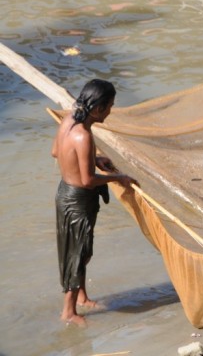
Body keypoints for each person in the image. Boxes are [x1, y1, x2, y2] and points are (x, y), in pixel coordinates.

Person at [51, 79, 138, 326]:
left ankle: (82, 297)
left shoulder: (69, 121)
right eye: (110, 106)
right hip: (79, 200)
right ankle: (68, 312)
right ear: (98, 108)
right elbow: (88, 180)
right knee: (77, 254)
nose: (111, 111)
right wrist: (119, 177)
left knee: (78, 248)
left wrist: (93, 159)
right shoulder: (84, 136)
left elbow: (56, 152)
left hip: (64, 193)